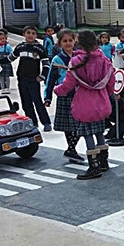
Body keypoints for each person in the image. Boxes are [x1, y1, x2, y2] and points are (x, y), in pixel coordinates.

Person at [54, 30, 114, 180]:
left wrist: (57, 90)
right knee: (99, 131)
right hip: (101, 100)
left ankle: (93, 167)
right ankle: (103, 162)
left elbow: (68, 84)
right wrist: (107, 93)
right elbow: (111, 81)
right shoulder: (104, 59)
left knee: (87, 134)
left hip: (84, 102)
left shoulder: (76, 61)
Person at [0, 25, 52, 132]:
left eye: (33, 33)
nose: (30, 35)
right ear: (24, 34)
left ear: (36, 35)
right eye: (28, 33)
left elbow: (46, 64)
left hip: (33, 79)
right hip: (22, 79)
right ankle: (32, 122)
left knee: (37, 101)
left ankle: (46, 123)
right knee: (26, 102)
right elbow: (10, 58)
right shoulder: (20, 47)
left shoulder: (39, 48)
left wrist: (42, 76)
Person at [44, 28, 83, 163]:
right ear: (59, 43)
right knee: (69, 126)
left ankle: (71, 149)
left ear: (74, 41)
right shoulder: (57, 59)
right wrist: (47, 97)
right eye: (64, 41)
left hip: (80, 95)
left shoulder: (79, 57)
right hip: (65, 94)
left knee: (80, 124)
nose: (68, 43)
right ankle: (71, 149)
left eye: (70, 40)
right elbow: (51, 79)